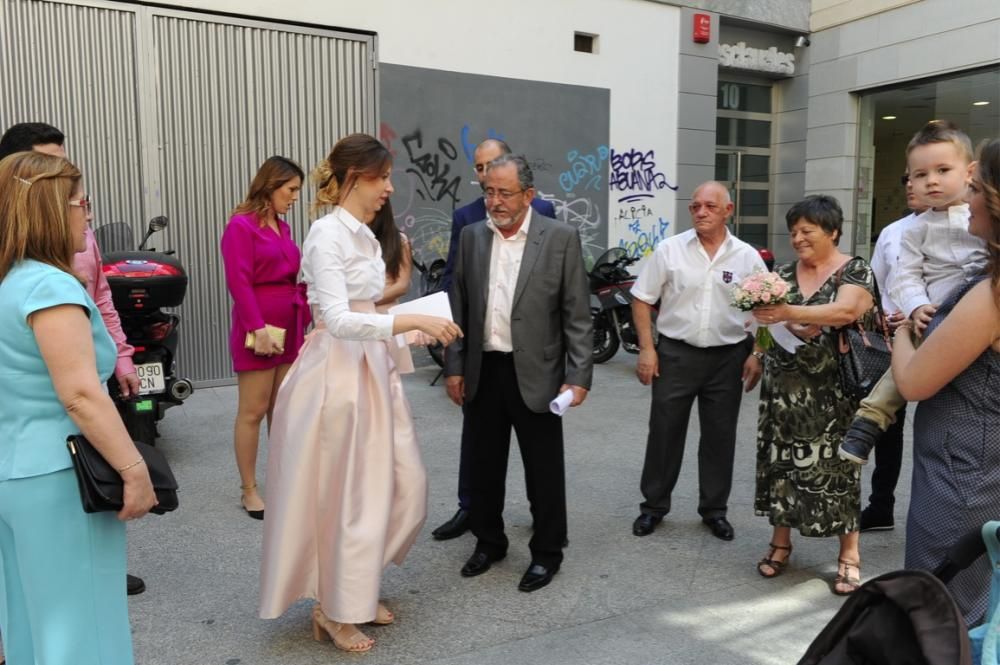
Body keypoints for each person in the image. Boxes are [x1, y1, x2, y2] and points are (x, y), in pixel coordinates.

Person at [258, 134, 461, 653]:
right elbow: (338, 320)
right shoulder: (325, 235)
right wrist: (409, 318)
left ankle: (356, 587)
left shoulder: (366, 235)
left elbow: (366, 308)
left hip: (370, 371)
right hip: (336, 379)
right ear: (355, 178)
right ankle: (335, 608)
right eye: (383, 178)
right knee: (347, 497)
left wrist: (408, 323)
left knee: (402, 486)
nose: (390, 189)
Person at [0, 151, 157, 664]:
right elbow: (80, 393)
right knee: (80, 623)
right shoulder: (49, 286)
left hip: (14, 472)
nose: (87, 216)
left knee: (30, 618)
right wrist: (134, 469)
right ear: (49, 208)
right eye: (80, 203)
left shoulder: (8, 282)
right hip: (61, 476)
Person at [445, 154, 592, 592]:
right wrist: (455, 366)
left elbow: (577, 314)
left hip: (539, 371)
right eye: (489, 191)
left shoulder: (560, 237)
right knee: (483, 466)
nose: (495, 201)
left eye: (504, 192)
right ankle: (489, 543)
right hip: (483, 369)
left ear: (528, 195)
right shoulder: (472, 237)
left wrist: (578, 375)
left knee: (543, 471)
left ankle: (547, 554)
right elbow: (459, 307)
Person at [892, 137, 1000, 625]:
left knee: (943, 608)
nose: (965, 197)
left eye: (974, 186)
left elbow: (915, 382)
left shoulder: (991, 296)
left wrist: (898, 332)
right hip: (981, 464)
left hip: (963, 476)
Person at [839, 120, 986, 466]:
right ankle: (870, 420)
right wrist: (916, 306)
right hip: (936, 315)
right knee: (901, 366)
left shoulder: (982, 217)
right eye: (919, 175)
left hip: (981, 314)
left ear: (970, 172)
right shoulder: (914, 231)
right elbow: (904, 278)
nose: (931, 180)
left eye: (942, 170)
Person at [433, 138, 557, 541]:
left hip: (533, 362)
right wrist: (454, 359)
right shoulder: (468, 222)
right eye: (481, 170)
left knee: (541, 458)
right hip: (482, 361)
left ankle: (547, 527)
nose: (489, 183)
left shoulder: (547, 219)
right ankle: (475, 514)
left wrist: (571, 372)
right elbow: (457, 287)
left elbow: (563, 299)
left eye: (495, 170)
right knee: (481, 449)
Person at [751, 195, 876, 595]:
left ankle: (849, 557)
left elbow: (845, 312)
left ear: (833, 231)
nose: (798, 238)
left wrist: (791, 313)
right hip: (783, 391)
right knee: (782, 465)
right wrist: (757, 351)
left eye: (807, 230)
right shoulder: (782, 273)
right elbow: (767, 322)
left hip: (833, 393)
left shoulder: (854, 270)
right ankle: (780, 542)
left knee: (838, 471)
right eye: (793, 232)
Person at [630, 181, 765, 542]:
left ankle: (714, 511)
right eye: (695, 207)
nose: (701, 212)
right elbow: (642, 299)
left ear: (728, 210)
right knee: (664, 433)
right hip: (676, 354)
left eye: (709, 206)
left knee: (720, 437)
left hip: (728, 358)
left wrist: (757, 353)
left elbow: (766, 309)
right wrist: (647, 348)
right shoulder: (669, 250)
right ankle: (653, 507)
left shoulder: (747, 257)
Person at [221, 156, 309, 520]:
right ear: (271, 185)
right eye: (290, 190)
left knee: (282, 410)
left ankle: (282, 482)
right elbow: (238, 283)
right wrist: (257, 328)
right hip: (259, 327)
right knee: (253, 411)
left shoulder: (282, 227)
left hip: (289, 325)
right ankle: (248, 489)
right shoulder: (241, 226)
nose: (293, 198)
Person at [857, 176, 928, 532]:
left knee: (936, 427)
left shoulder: (966, 228)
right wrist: (884, 316)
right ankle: (881, 506)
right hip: (893, 341)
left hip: (943, 337)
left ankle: (933, 512)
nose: (913, 185)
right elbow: (875, 286)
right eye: (908, 179)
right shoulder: (891, 232)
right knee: (890, 429)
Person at [372, 199, 415, 373]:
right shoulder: (353, 239)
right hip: (357, 316)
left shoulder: (399, 240)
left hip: (387, 313)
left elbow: (402, 284)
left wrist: (367, 302)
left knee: (390, 380)